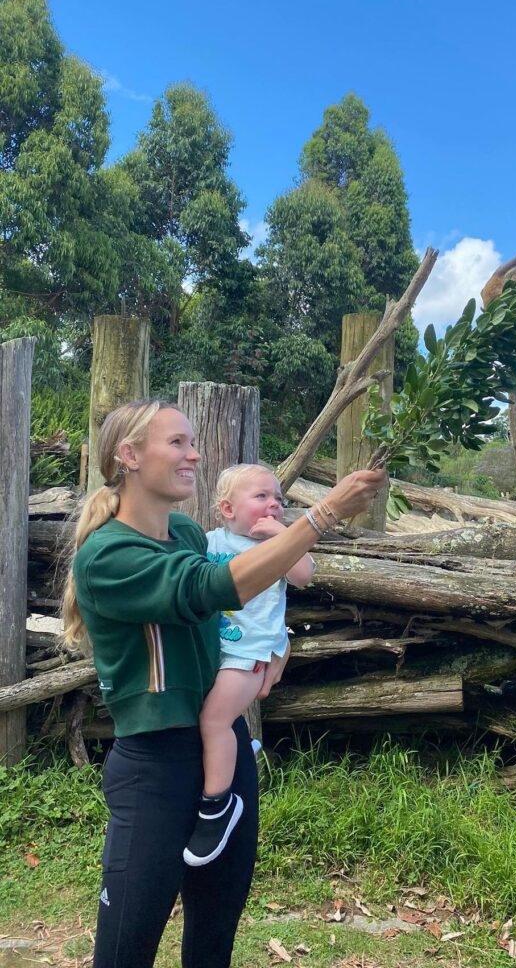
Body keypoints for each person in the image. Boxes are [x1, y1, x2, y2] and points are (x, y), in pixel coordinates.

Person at [62, 399, 385, 968]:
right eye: (178, 443)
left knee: (215, 933)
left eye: (193, 441)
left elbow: (230, 618)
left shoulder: (187, 530)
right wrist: (323, 514)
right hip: (155, 767)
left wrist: (274, 647)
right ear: (129, 456)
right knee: (125, 948)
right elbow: (210, 589)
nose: (194, 453)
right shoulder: (107, 555)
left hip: (225, 752)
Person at [182, 464, 314, 867]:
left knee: (215, 721)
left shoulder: (281, 545)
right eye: (262, 497)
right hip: (211, 650)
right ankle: (237, 757)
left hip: (250, 654)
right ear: (226, 508)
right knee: (203, 719)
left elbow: (305, 575)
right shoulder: (209, 541)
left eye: (280, 499)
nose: (274, 504)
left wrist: (284, 538)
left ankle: (216, 807)